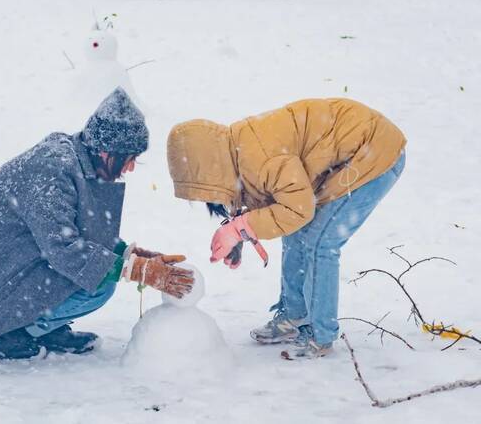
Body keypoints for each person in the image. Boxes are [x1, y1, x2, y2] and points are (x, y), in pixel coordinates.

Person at [0, 87, 194, 360]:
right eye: (129, 158)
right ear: (106, 151)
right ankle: (9, 331)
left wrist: (134, 257)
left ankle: (37, 327)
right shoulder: (52, 169)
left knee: (99, 273)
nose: (130, 167)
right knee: (98, 282)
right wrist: (134, 270)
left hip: (17, 266)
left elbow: (81, 233)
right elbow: (64, 248)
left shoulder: (76, 160)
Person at [166, 98, 406, 358]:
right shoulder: (237, 153)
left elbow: (298, 209)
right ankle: (295, 315)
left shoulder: (260, 157)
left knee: (320, 243)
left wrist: (239, 230)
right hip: (350, 153)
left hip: (374, 153)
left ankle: (320, 334)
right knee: (294, 233)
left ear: (211, 170)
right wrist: (241, 231)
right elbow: (279, 201)